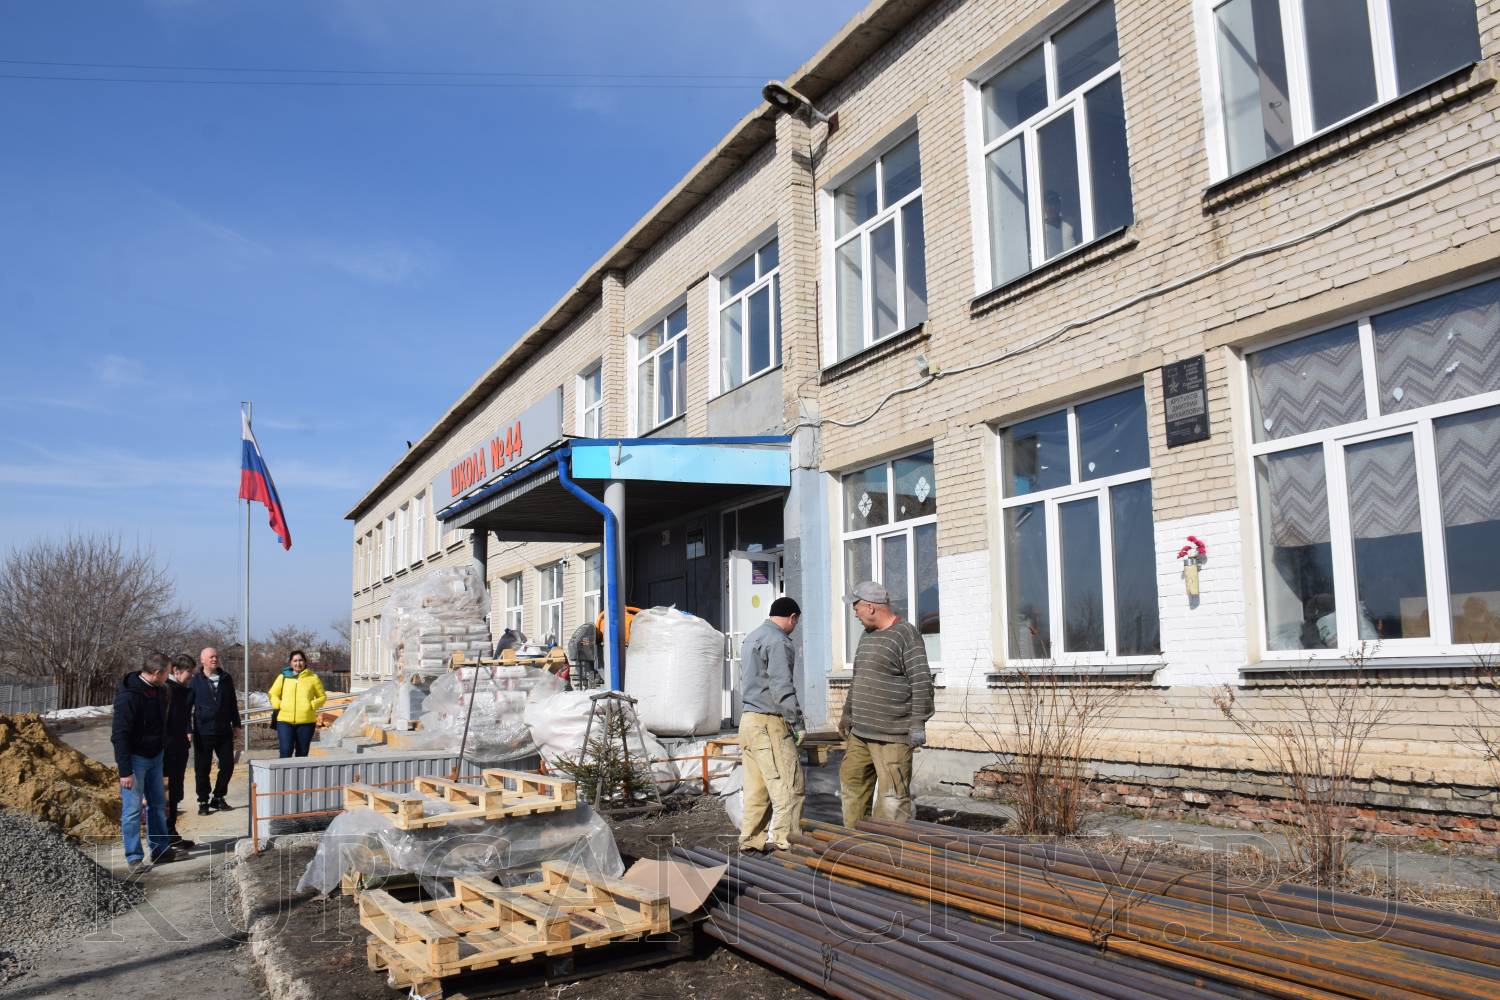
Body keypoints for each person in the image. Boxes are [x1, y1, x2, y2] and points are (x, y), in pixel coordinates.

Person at [838, 581, 934, 826]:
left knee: (892, 799)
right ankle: (856, 842)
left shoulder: (906, 634)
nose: (855, 614)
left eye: (856, 608)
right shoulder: (867, 635)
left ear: (870, 608)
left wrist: (917, 724)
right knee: (852, 786)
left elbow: (921, 681)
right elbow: (859, 677)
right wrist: (848, 713)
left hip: (892, 736)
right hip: (860, 733)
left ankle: (885, 847)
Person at [736, 596, 805, 853]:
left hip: (748, 721)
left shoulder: (752, 637)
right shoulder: (778, 641)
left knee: (757, 788)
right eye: (796, 622)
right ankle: (788, 843)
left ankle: (750, 842)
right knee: (789, 785)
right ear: (792, 618)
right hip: (769, 723)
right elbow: (781, 687)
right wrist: (797, 722)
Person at [111, 651, 182, 873]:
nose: (169, 676)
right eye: (167, 673)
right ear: (157, 673)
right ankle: (134, 856)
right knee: (132, 810)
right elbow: (119, 735)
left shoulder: (160, 690)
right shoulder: (129, 696)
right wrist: (125, 770)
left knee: (158, 805)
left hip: (156, 756)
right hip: (135, 759)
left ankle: (160, 848)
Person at [190, 646, 242, 814]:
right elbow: (187, 706)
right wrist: (187, 729)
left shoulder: (226, 678)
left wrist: (236, 724)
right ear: (202, 660)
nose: (214, 659)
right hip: (202, 731)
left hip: (223, 730)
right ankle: (203, 800)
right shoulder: (195, 680)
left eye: (216, 656)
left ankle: (218, 797)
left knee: (227, 765)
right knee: (202, 768)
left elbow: (232, 702)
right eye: (211, 657)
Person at [163, 654, 197, 849]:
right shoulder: (166, 690)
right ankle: (164, 836)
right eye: (188, 672)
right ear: (176, 671)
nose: (191, 676)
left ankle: (171, 833)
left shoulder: (184, 690)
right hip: (166, 751)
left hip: (178, 749)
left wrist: (187, 731)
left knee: (175, 792)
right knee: (166, 794)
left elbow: (184, 718)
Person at [269, 649, 326, 758]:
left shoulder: (313, 678)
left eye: (300, 660)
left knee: (302, 754)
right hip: (284, 721)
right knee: (285, 751)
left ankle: (300, 770)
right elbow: (273, 693)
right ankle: (284, 770)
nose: (298, 663)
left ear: (305, 662)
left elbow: (322, 697)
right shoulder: (283, 677)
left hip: (306, 722)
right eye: (295, 661)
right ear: (290, 663)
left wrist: (311, 705)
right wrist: (279, 705)